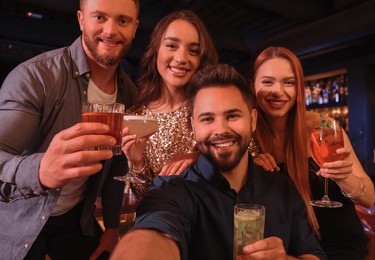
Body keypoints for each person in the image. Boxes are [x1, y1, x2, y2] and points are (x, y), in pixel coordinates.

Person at [111, 64, 327, 260]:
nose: (221, 130)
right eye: (207, 119)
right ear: (193, 126)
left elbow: (314, 255)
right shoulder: (172, 189)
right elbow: (152, 234)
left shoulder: (282, 187)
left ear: (252, 120)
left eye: (232, 116)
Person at [0, 0, 140, 259]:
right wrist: (40, 171)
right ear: (80, 19)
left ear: (135, 27)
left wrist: (111, 227)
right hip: (19, 216)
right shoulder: (37, 77)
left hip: (75, 218)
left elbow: (115, 166)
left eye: (123, 21)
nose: (110, 30)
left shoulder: (129, 92)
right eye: (99, 17)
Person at [251, 46, 375, 259]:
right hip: (288, 252)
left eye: (289, 82)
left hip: (341, 248)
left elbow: (369, 199)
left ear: (299, 87)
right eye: (267, 81)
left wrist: (345, 178)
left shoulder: (323, 126)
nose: (278, 91)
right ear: (253, 85)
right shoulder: (250, 138)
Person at [121, 10, 218, 197]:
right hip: (164, 221)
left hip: (211, 218)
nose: (181, 58)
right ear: (156, 49)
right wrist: (137, 161)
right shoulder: (136, 115)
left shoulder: (212, 104)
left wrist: (201, 157)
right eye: (172, 46)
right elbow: (144, 194)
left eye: (194, 51)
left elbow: (245, 158)